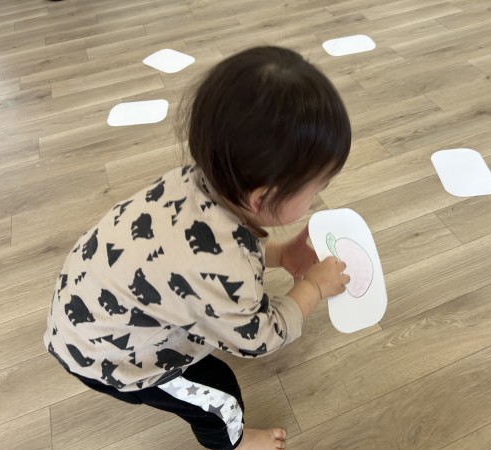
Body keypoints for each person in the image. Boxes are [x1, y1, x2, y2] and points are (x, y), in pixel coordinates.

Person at [44, 46, 351, 449]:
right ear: (262, 198)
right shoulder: (223, 265)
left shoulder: (194, 180)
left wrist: (278, 254)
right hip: (110, 355)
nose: (320, 193)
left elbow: (215, 253)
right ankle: (233, 441)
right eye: (318, 186)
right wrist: (312, 286)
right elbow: (260, 338)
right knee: (217, 395)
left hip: (84, 302)